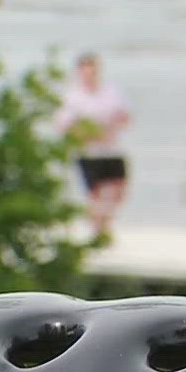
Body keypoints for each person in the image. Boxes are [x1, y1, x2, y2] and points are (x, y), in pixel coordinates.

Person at [52, 52, 133, 239]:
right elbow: (62, 125)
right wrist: (88, 134)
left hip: (113, 150)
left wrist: (110, 128)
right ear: (79, 73)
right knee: (95, 195)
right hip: (88, 152)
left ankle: (104, 226)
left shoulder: (111, 91)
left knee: (117, 192)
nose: (90, 75)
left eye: (93, 71)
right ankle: (99, 232)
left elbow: (126, 116)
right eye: (86, 72)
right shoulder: (73, 97)